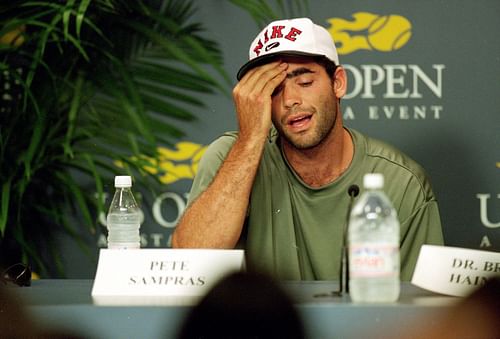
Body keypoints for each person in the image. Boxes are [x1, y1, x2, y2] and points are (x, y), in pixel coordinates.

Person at [172, 17, 443, 280]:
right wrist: (251, 138)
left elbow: (420, 309)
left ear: (338, 83)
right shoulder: (230, 157)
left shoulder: (401, 181)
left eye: (304, 82)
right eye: (273, 90)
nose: (290, 100)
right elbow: (189, 264)